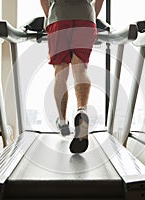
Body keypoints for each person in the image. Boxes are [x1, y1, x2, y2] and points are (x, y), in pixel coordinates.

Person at [40, 0, 104, 153]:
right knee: (80, 69)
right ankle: (82, 110)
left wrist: (50, 17)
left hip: (58, 17)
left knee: (60, 73)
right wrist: (91, 15)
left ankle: (62, 122)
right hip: (86, 17)